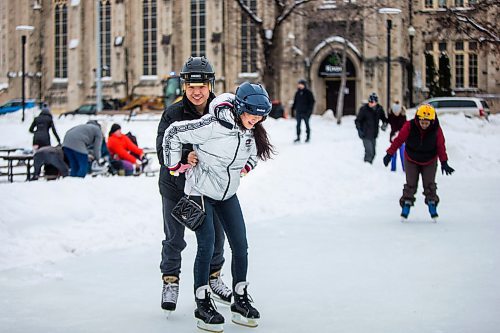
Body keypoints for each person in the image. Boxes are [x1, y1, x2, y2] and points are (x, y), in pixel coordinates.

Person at [162, 82, 274, 332]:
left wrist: (245, 168)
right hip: (199, 191)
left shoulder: (250, 129)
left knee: (240, 244)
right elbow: (173, 133)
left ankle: (240, 298)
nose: (256, 119)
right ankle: (202, 302)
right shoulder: (212, 125)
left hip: (227, 195)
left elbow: (254, 154)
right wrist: (175, 164)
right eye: (252, 113)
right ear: (240, 108)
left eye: (260, 115)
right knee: (207, 244)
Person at [155, 56, 231, 314]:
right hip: (176, 187)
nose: (196, 92)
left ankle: (214, 277)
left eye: (201, 87)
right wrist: (185, 154)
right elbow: (161, 148)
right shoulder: (173, 113)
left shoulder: (221, 111)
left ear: (210, 85)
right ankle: (170, 281)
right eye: (191, 87)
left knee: (215, 238)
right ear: (184, 86)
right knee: (174, 237)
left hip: (209, 187)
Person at [382, 104, 455, 220]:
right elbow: (399, 140)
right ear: (418, 119)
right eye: (422, 122)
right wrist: (389, 153)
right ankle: (406, 203)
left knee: (429, 184)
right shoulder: (409, 126)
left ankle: (432, 203)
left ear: (432, 121)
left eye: (427, 123)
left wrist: (444, 162)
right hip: (411, 159)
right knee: (410, 184)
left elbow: (441, 146)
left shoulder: (436, 129)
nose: (424, 125)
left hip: (430, 160)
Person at [354, 92, 388, 163]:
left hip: (374, 134)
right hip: (365, 134)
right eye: (369, 101)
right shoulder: (364, 109)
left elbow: (384, 119)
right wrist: (359, 130)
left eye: (372, 102)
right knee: (369, 153)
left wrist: (384, 124)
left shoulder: (379, 109)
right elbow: (357, 121)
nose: (370, 103)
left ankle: (368, 167)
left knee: (373, 153)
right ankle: (366, 169)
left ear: (376, 102)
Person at [292, 79, 315, 143]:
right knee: (298, 125)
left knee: (307, 125)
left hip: (306, 112)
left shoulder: (308, 93)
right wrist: (293, 110)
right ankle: (298, 137)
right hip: (299, 112)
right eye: (299, 84)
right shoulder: (297, 93)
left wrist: (309, 111)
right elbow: (295, 102)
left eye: (301, 84)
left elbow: (312, 102)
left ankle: (308, 137)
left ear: (304, 85)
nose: (300, 85)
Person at [387, 99, 407, 172]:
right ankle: (393, 168)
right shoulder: (391, 116)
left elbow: (405, 127)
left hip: (401, 137)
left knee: (402, 153)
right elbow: (387, 121)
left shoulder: (403, 116)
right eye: (395, 112)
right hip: (393, 137)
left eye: (397, 112)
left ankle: (405, 168)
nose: (396, 113)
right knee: (393, 153)